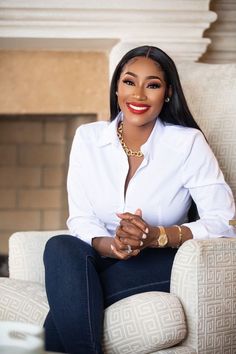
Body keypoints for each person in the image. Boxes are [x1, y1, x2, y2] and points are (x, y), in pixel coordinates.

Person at [43, 45, 235, 354]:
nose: (139, 95)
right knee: (60, 246)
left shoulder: (187, 143)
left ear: (168, 92)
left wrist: (155, 236)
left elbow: (225, 222)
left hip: (161, 258)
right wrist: (114, 246)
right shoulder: (88, 138)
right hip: (101, 256)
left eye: (153, 84)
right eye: (130, 81)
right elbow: (80, 218)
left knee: (68, 304)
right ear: (117, 86)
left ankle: (29, 343)